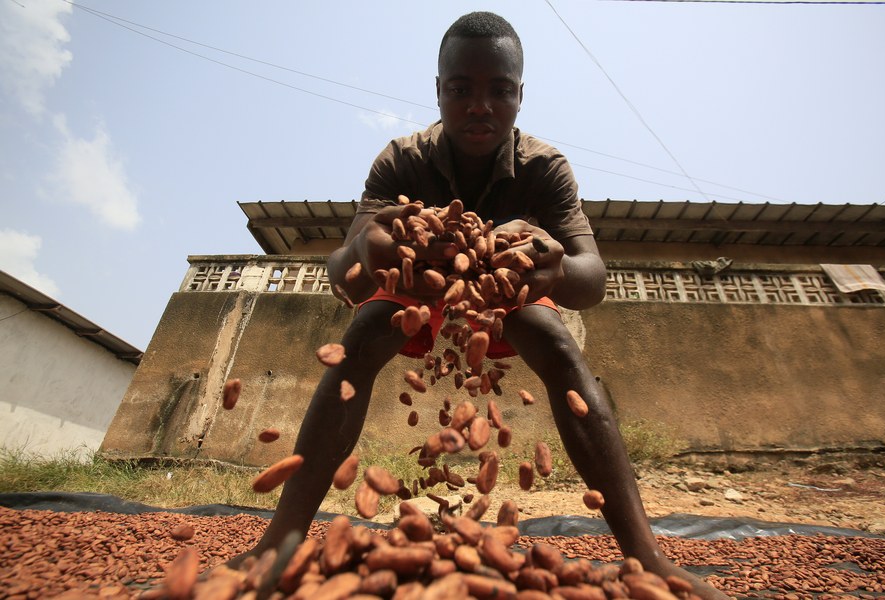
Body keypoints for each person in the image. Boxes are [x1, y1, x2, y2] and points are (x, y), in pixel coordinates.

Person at [234, 12, 727, 599]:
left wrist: (556, 267)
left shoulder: (545, 168)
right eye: (460, 89)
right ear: (438, 91)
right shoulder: (401, 161)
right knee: (361, 339)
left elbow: (592, 278)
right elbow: (343, 270)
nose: (478, 105)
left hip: (503, 288)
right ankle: (281, 540)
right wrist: (369, 249)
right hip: (418, 284)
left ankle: (645, 555)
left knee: (558, 345)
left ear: (520, 95)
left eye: (499, 90)